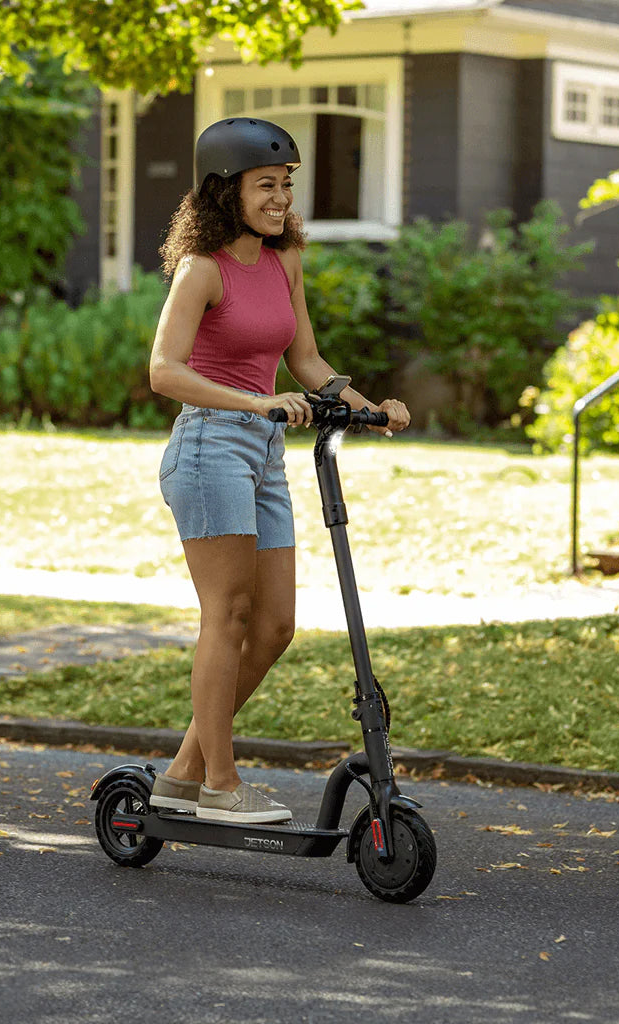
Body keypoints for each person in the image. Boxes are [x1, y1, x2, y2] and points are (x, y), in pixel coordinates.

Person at [147, 116, 410, 825]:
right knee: (227, 616)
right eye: (267, 185)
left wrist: (367, 406)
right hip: (210, 448)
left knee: (274, 626)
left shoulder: (284, 259)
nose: (281, 199)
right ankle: (219, 786)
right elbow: (164, 372)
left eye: (286, 185)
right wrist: (256, 403)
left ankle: (181, 773)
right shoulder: (201, 271)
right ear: (225, 190)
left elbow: (308, 362)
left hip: (265, 451)